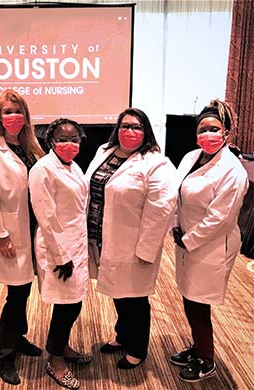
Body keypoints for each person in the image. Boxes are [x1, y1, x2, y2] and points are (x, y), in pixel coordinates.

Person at [85, 108, 177, 369]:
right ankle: (123, 337)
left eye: (136, 127)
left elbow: (161, 209)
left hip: (133, 244)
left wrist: (147, 249)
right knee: (118, 291)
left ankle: (138, 348)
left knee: (135, 298)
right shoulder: (105, 151)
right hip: (102, 237)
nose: (129, 132)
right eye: (125, 126)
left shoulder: (156, 163)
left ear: (146, 131)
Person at [170, 99, 248, 382]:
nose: (207, 134)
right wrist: (176, 227)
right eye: (202, 129)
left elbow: (221, 219)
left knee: (198, 302)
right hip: (188, 239)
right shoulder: (191, 157)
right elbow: (176, 194)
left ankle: (206, 359)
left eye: (214, 129)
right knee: (189, 296)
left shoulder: (233, 170)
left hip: (212, 246)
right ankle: (197, 347)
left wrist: (188, 240)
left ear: (226, 132)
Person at [0, 90, 45, 385]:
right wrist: (1, 235)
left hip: (34, 228)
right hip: (12, 232)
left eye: (18, 112)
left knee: (24, 289)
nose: (13, 117)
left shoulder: (32, 147)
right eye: (7, 112)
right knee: (15, 294)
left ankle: (18, 338)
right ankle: (3, 356)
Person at [29, 118, 91, 390]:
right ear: (51, 141)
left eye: (74, 139)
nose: (69, 143)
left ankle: (62, 347)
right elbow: (46, 215)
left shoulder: (74, 166)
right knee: (68, 305)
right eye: (63, 138)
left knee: (73, 301)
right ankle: (55, 359)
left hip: (75, 244)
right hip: (59, 249)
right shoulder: (43, 169)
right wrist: (61, 255)